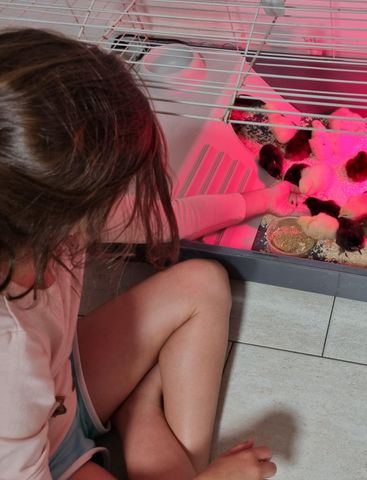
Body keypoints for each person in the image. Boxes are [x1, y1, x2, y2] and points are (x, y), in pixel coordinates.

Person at [0, 28, 289, 480]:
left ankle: (137, 411)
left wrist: (260, 201)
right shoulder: (9, 355)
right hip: (41, 461)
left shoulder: (31, 202)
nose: (124, 198)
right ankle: (146, 424)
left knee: (203, 283)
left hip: (60, 381)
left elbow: (160, 219)